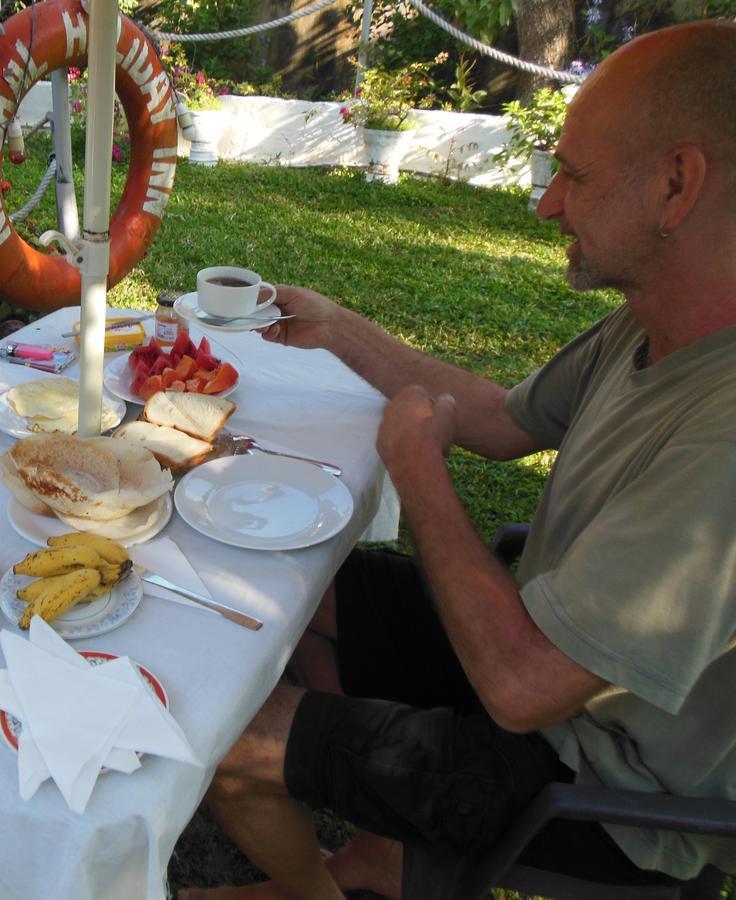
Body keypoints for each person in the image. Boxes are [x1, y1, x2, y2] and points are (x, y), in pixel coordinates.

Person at [181, 19, 736, 900]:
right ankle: (380, 861)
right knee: (301, 590)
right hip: (545, 663)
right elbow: (503, 420)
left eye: (576, 175)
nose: (549, 202)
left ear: (677, 185)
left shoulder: (723, 438)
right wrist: (343, 333)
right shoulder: (652, 319)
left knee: (214, 734)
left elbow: (520, 689)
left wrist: (420, 474)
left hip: (611, 793)